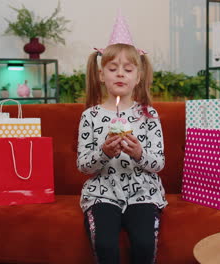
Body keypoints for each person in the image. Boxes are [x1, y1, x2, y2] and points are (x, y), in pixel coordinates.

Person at [76, 14, 167, 264]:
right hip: (103, 193)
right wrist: (104, 152)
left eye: (128, 69)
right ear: (101, 75)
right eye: (112, 68)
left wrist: (139, 153)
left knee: (144, 243)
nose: (120, 74)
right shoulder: (90, 116)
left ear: (138, 77)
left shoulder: (149, 115)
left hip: (143, 194)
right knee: (105, 244)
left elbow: (158, 164)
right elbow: (84, 166)